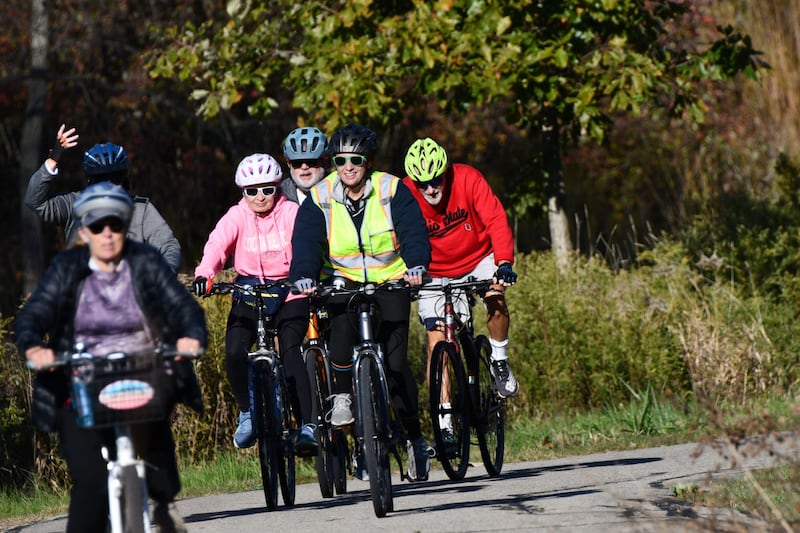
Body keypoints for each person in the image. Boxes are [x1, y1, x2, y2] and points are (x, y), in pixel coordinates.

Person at [14, 181, 207, 533]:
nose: (107, 233)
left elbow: (180, 306)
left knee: (157, 423)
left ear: (125, 225)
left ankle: (164, 504)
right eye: (96, 225)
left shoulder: (144, 262)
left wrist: (190, 337)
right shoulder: (66, 268)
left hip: (139, 371)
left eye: (115, 224)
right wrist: (33, 346)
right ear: (83, 231)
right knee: (90, 486)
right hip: (78, 384)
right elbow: (35, 313)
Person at [290, 123, 432, 482]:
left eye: (355, 160)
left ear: (368, 162)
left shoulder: (391, 189)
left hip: (391, 281)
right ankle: (341, 399)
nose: (348, 167)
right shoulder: (320, 196)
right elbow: (306, 239)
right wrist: (304, 274)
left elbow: (412, 229)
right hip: (347, 282)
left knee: (397, 366)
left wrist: (416, 265)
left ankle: (414, 439)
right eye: (340, 160)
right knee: (339, 333)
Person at [192, 153, 318, 454]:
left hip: (290, 291)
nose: (260, 197)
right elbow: (217, 245)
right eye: (252, 191)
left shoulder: (291, 212)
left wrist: (305, 275)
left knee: (290, 350)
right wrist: (204, 274)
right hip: (249, 292)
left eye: (267, 189)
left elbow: (306, 246)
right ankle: (247, 412)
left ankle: (306, 426)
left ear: (277, 188)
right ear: (243, 193)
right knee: (235, 349)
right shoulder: (237, 216)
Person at [402, 138, 520, 418]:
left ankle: (499, 360)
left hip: (478, 256)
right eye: (423, 184)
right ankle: (444, 420)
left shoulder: (468, 178)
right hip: (432, 269)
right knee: (436, 341)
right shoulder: (404, 193)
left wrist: (503, 263)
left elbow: (496, 220)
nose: (431, 189)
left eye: (436, 180)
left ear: (446, 172)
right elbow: (397, 236)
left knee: (495, 295)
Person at [25, 124, 182, 271]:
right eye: (100, 179)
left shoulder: (141, 209)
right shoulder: (75, 204)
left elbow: (168, 245)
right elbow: (35, 201)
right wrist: (53, 159)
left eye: (115, 178)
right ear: (89, 181)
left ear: (125, 179)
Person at [280, 126, 329, 204]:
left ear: (324, 161)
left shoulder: (339, 193)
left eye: (311, 162)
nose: (304, 167)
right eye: (297, 163)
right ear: (289, 164)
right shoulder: (278, 196)